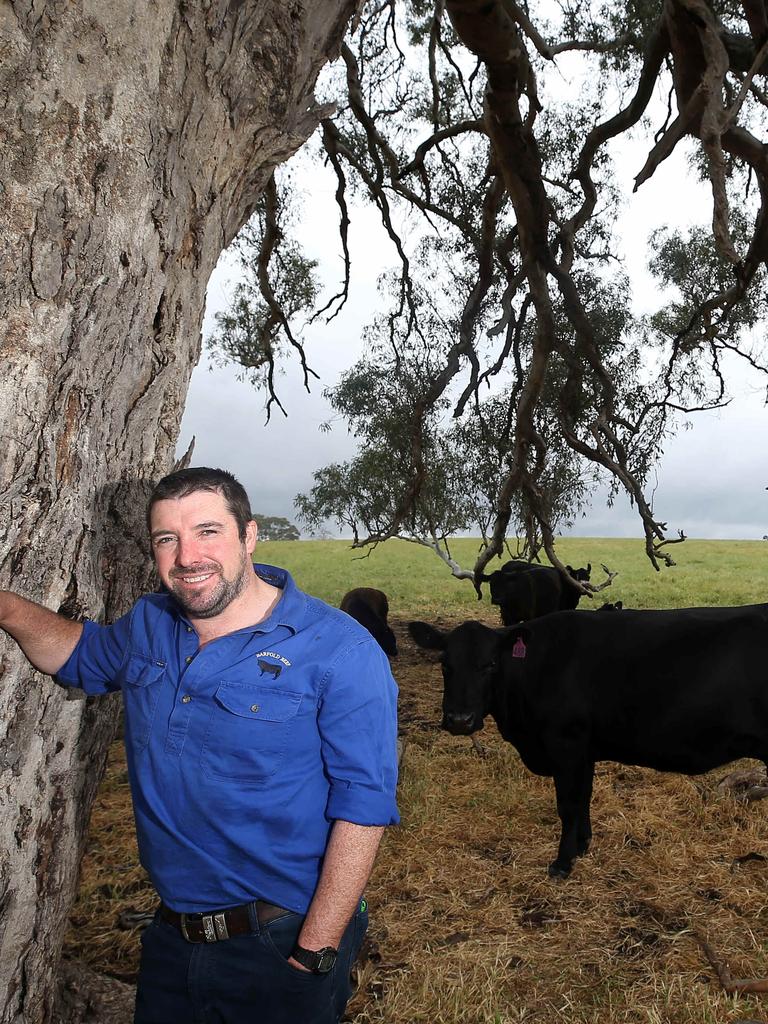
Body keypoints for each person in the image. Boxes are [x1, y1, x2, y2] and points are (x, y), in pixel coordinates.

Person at [0, 467, 400, 1024]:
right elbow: (78, 656)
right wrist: (7, 608)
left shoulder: (340, 652)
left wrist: (314, 952)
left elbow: (364, 808)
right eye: (168, 538)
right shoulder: (149, 623)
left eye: (208, 532)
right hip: (172, 935)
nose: (188, 557)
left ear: (249, 535)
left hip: (281, 935)